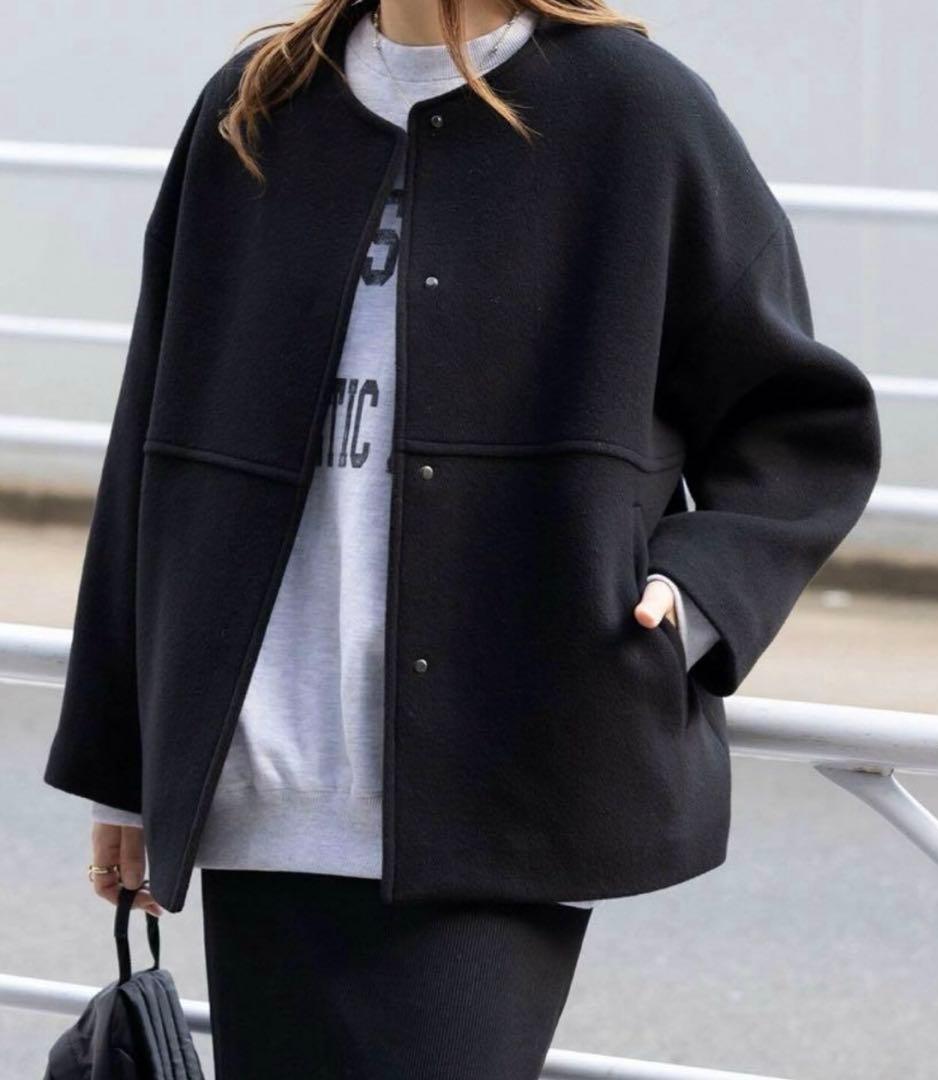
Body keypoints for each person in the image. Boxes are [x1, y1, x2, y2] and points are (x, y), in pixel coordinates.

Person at [45, 0, 882, 1075]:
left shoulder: (635, 111)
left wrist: (698, 595)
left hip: (505, 767)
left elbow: (801, 423)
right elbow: (155, 450)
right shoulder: (256, 106)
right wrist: (126, 767)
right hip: (264, 773)